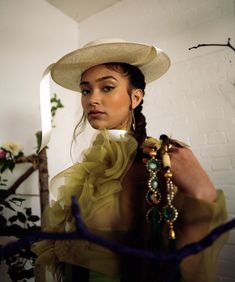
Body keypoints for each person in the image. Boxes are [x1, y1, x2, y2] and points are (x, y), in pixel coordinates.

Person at [32, 38, 227, 282]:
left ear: (135, 98)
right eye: (85, 90)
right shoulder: (93, 165)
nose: (92, 99)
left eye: (107, 87)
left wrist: (203, 195)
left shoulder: (157, 158)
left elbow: (179, 252)